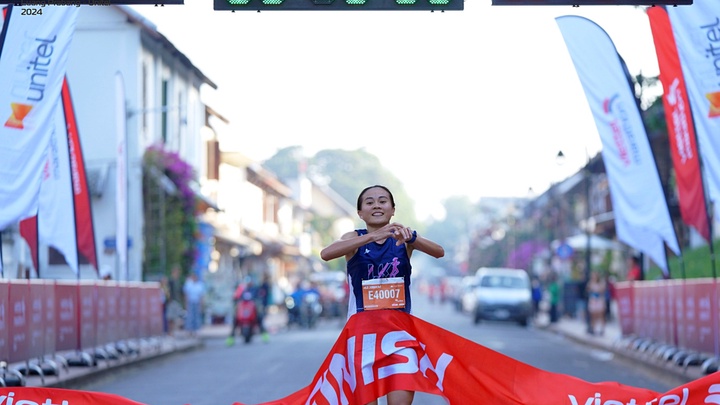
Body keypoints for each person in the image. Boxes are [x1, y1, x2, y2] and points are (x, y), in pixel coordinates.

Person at [320, 185, 444, 405]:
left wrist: (412, 236)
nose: (376, 205)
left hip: (399, 338)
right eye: (369, 202)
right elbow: (326, 253)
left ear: (393, 209)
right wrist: (372, 237)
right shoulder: (352, 239)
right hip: (362, 338)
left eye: (382, 201)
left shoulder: (404, 239)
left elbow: (439, 252)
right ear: (360, 213)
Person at [183, 272, 205, 337]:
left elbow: (201, 296)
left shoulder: (200, 285)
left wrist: (201, 305)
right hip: (190, 302)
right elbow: (186, 295)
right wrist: (186, 304)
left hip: (197, 302)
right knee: (190, 316)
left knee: (197, 316)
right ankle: (189, 330)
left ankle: (196, 330)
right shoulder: (188, 284)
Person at [586, 271, 607, 335]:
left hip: (599, 301)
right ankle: (593, 328)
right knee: (593, 316)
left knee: (601, 315)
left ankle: (602, 329)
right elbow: (588, 290)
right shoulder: (590, 283)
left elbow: (602, 290)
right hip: (593, 301)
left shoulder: (601, 283)